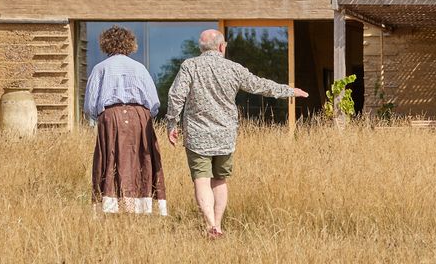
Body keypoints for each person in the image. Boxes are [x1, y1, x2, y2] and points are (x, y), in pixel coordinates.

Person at [164, 29, 308, 238]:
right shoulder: (233, 68)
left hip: (197, 136)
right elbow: (259, 85)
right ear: (222, 47)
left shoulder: (190, 66)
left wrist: (172, 124)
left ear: (201, 48)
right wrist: (289, 90)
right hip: (225, 136)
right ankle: (219, 225)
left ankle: (210, 224)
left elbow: (176, 96)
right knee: (220, 180)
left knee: (202, 180)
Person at [84, 25, 168, 215]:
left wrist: (100, 118)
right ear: (130, 44)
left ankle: (112, 205)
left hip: (110, 116)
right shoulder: (139, 68)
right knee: (141, 159)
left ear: (106, 44)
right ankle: (141, 206)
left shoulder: (100, 68)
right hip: (139, 116)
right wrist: (144, 116)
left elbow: (90, 104)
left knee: (111, 159)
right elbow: (154, 102)